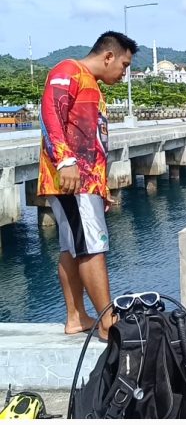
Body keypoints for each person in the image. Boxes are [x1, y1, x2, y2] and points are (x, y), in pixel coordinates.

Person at [38, 31, 138, 340]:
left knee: (73, 247)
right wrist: (65, 160)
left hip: (85, 183)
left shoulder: (90, 83)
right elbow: (50, 112)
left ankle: (77, 316)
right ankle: (108, 323)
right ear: (108, 56)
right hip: (73, 180)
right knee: (93, 247)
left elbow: (92, 142)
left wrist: (102, 188)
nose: (124, 73)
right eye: (123, 64)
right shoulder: (68, 71)